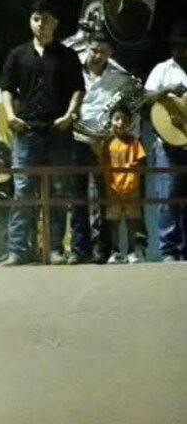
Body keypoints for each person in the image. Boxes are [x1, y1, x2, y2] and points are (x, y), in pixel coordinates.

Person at [0, 0, 84, 266]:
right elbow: (7, 88)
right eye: (36, 18)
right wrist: (11, 115)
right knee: (23, 191)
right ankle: (16, 251)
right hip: (26, 130)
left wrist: (70, 115)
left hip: (58, 130)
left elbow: (78, 89)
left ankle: (55, 249)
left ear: (55, 23)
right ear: (31, 21)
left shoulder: (67, 55)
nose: (41, 23)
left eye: (46, 19)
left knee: (59, 191)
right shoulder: (18, 54)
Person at [76, 33, 143, 263]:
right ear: (87, 48)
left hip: (105, 145)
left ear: (110, 54)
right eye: (93, 50)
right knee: (75, 198)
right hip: (76, 140)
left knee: (101, 201)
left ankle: (102, 251)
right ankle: (78, 249)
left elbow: (130, 111)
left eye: (102, 52)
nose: (97, 55)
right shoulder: (73, 71)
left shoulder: (120, 79)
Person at [143, 20, 187, 262]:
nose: (180, 51)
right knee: (168, 197)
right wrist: (167, 90)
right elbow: (146, 97)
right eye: (177, 46)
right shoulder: (163, 69)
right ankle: (169, 250)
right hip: (168, 144)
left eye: (185, 46)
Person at [100, 104, 148, 263]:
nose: (120, 123)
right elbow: (102, 165)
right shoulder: (106, 143)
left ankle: (132, 251)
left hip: (132, 188)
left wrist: (136, 167)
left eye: (124, 120)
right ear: (111, 121)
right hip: (113, 188)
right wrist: (107, 186)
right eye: (117, 119)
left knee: (133, 221)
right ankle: (114, 251)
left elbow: (142, 163)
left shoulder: (134, 142)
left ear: (129, 123)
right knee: (113, 222)